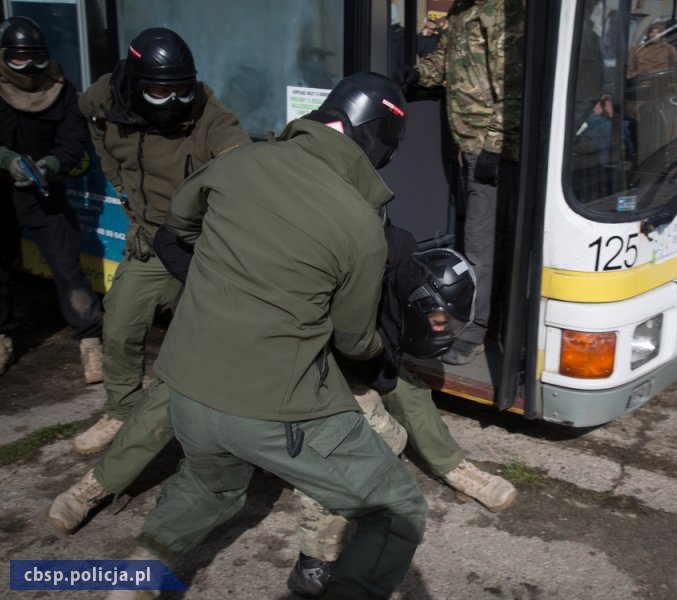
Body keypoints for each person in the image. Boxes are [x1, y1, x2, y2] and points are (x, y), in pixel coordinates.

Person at [104, 72, 426, 600]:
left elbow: (180, 230)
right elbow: (352, 339)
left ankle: (131, 582)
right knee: (398, 510)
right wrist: (382, 362)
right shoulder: (362, 226)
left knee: (209, 486)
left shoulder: (236, 162)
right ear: (374, 140)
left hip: (186, 389)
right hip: (273, 407)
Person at [289, 228, 517, 598]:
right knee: (338, 445)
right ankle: (315, 559)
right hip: (301, 361)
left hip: (350, 349)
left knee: (406, 390)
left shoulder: (396, 246)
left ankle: (453, 466)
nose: (443, 330)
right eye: (441, 321)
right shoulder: (332, 263)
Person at [68, 28, 251, 459]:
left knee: (225, 336)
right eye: (159, 90)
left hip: (203, 243)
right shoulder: (104, 100)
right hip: (152, 238)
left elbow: (237, 155)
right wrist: (126, 197)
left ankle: (233, 425)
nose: (173, 100)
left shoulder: (208, 113)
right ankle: (120, 411)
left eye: (181, 89)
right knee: (120, 325)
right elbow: (95, 131)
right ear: (133, 82)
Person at [395, 0, 526, 365]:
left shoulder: (503, 10)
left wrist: (496, 145)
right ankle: (490, 316)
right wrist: (419, 74)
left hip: (489, 146)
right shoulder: (462, 11)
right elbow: (448, 62)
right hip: (468, 143)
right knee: (486, 236)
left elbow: (514, 83)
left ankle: (474, 330)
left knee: (481, 243)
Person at [0, 16, 103, 381]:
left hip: (45, 192)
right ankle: (3, 336)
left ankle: (90, 343)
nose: (29, 68)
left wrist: (53, 163)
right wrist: (7, 160)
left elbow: (75, 142)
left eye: (36, 58)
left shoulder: (62, 90)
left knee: (68, 268)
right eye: (19, 59)